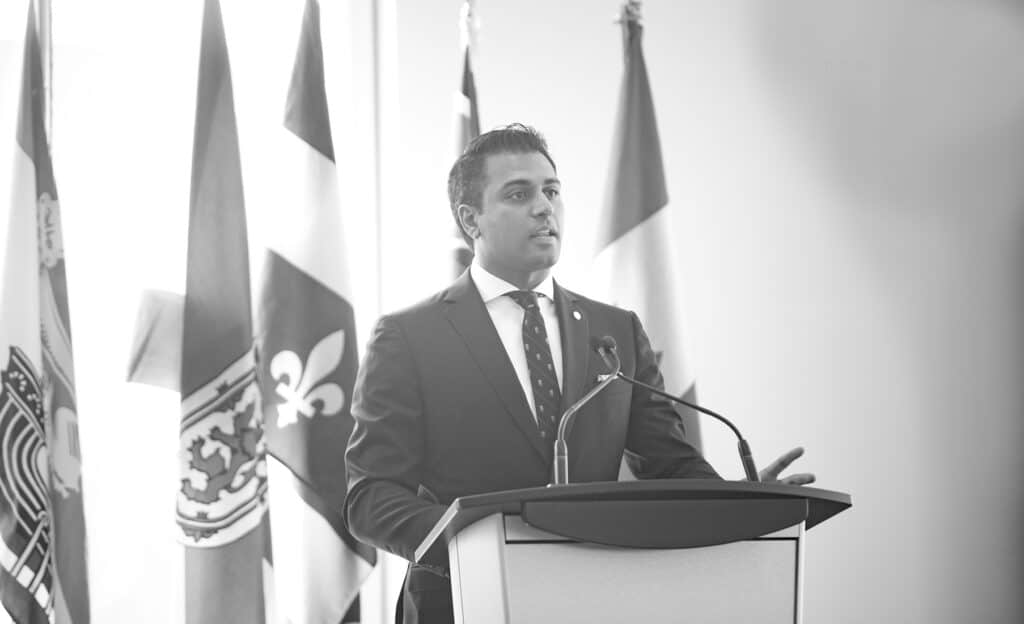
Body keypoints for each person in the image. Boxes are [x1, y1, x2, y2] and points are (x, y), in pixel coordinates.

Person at [344, 123, 813, 624]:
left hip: (593, 601)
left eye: (551, 191)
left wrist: (738, 506)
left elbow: (671, 463)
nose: (544, 207)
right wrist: (469, 541)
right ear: (471, 220)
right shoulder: (410, 336)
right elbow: (370, 496)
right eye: (518, 194)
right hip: (459, 603)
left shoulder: (615, 332)